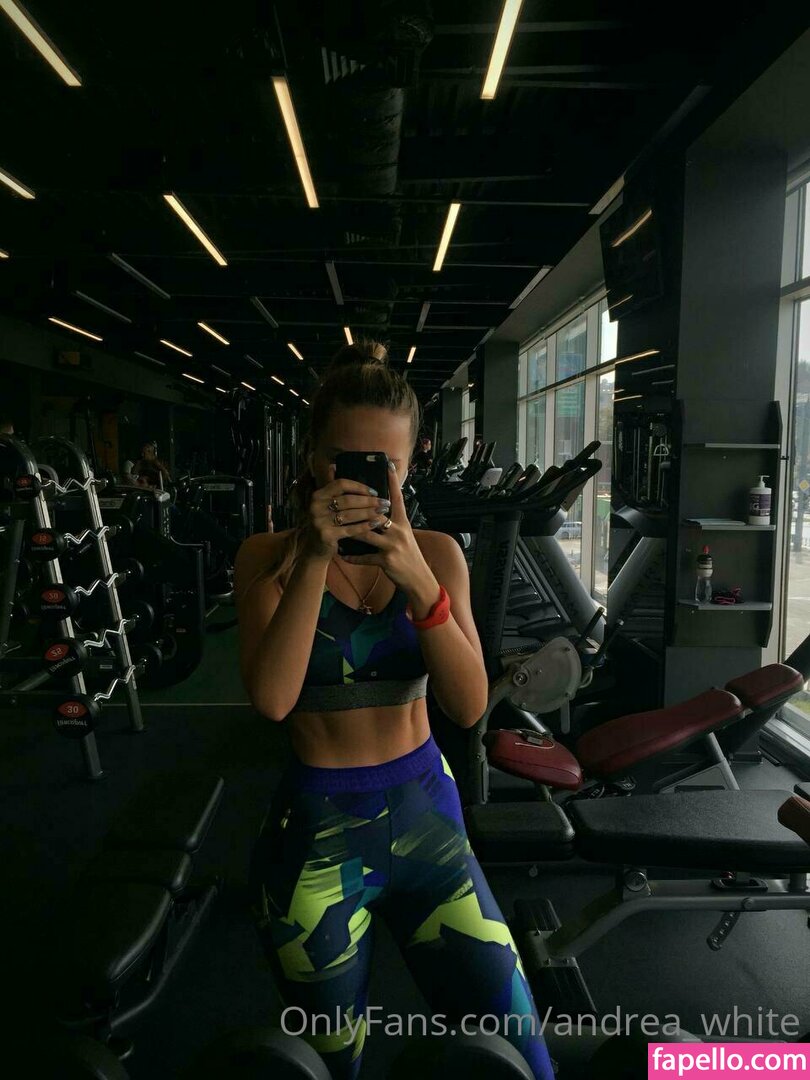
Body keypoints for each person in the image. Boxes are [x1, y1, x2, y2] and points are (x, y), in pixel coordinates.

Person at [235, 341, 554, 1080]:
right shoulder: (267, 557)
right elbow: (273, 700)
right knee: (329, 1066)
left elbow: (467, 707)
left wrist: (420, 584)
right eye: (345, 461)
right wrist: (315, 556)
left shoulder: (439, 553)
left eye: (385, 465)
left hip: (429, 819)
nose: (362, 481)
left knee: (521, 1055)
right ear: (315, 460)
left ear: (408, 467)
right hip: (317, 837)